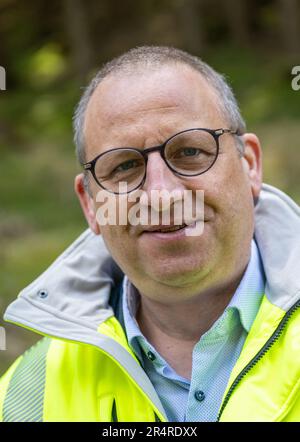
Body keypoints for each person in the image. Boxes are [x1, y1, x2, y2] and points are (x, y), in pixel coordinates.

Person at [0, 46, 299, 422]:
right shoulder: (25, 399)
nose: (160, 195)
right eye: (124, 166)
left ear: (250, 165)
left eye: (190, 150)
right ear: (90, 204)